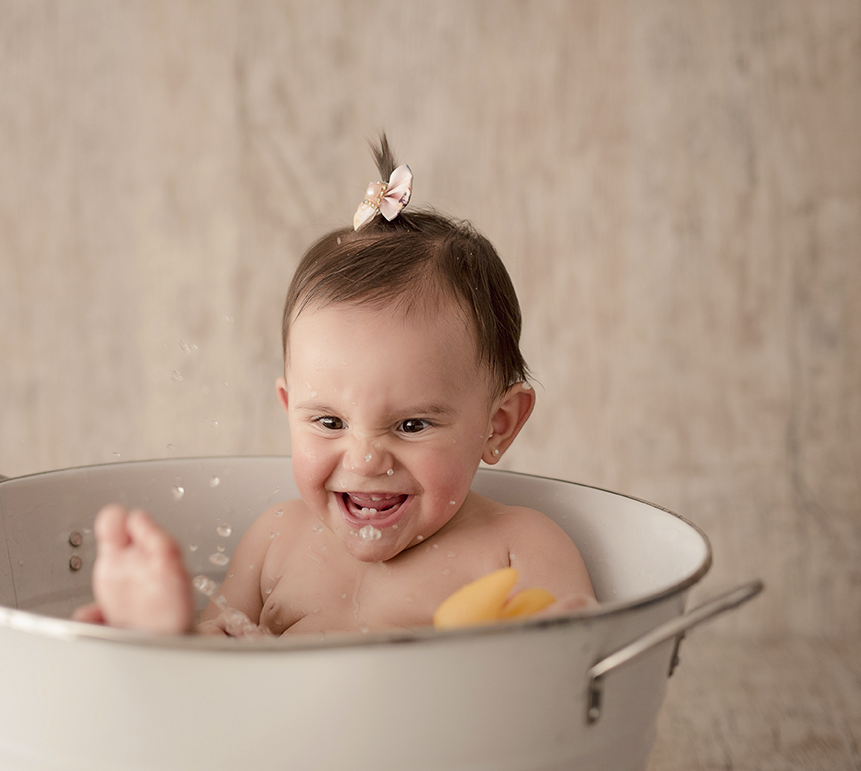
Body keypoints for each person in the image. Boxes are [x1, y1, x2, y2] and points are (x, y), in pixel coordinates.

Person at [71, 136, 595, 637]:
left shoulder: (517, 548)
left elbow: (573, 680)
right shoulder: (274, 542)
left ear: (497, 425)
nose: (365, 460)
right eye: (329, 422)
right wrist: (173, 635)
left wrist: (556, 641)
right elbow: (217, 678)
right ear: (288, 409)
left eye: (412, 425)